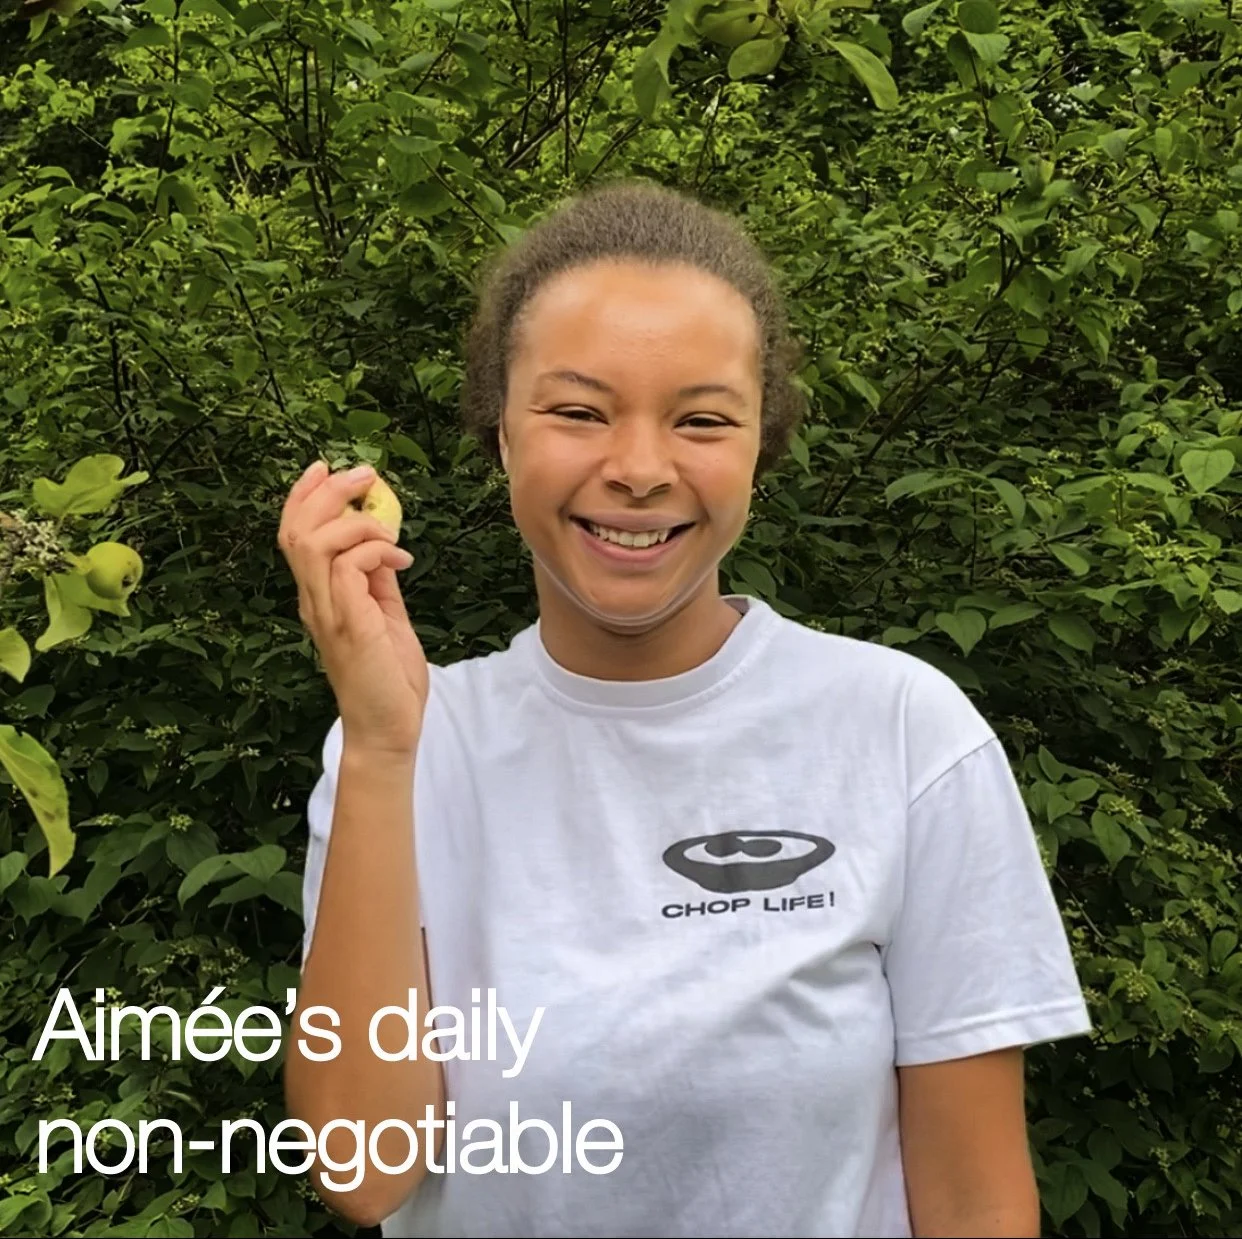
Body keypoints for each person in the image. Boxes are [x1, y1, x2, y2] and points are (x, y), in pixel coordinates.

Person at [279, 179, 1092, 1239]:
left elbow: (977, 1203)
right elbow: (362, 1170)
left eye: (702, 420)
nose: (639, 470)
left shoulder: (900, 730)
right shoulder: (406, 742)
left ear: (760, 447)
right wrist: (384, 748)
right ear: (502, 434)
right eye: (579, 411)